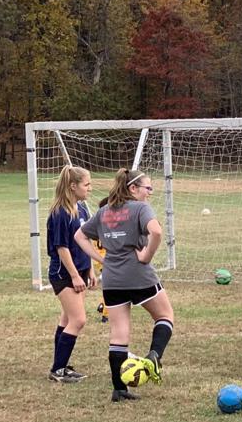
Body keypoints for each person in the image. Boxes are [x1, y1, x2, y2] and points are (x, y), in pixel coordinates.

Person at [74, 168, 174, 403]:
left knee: (119, 334)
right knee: (165, 315)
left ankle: (119, 389)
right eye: (147, 188)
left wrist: (101, 260)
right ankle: (154, 357)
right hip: (138, 275)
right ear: (133, 189)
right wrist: (147, 254)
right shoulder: (140, 208)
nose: (149, 193)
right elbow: (157, 231)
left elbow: (79, 236)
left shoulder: (104, 210)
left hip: (113, 279)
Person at [46, 165, 95, 383]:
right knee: (78, 319)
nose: (90, 188)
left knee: (67, 319)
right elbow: (61, 247)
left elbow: (85, 242)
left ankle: (62, 366)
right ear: (73, 186)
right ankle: (57, 370)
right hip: (64, 274)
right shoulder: (60, 213)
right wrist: (75, 275)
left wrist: (90, 268)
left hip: (81, 270)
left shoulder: (82, 209)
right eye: (87, 184)